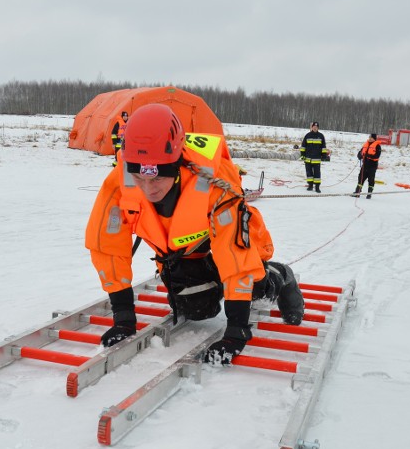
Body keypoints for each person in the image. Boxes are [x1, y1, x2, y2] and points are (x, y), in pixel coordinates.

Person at [85, 104, 305, 365]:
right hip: (183, 250)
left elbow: (235, 255)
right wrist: (123, 317)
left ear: (176, 165)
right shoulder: (119, 184)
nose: (147, 188)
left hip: (232, 243)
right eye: (139, 177)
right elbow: (107, 248)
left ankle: (280, 276)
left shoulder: (215, 183)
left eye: (156, 179)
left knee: (253, 285)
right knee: (198, 309)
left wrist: (236, 330)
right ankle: (209, 281)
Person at [299, 122, 329, 193]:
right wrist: (302, 155)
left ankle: (317, 187)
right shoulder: (307, 135)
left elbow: (323, 147)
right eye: (314, 127)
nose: (315, 128)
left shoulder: (321, 136)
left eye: (316, 127)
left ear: (318, 128)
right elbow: (303, 146)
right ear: (312, 127)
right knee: (309, 173)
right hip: (308, 158)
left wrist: (324, 155)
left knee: (317, 173)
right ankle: (310, 185)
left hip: (317, 159)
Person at [355, 133, 382, 198]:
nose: (369, 138)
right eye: (369, 137)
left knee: (371, 180)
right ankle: (357, 192)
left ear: (374, 139)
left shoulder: (378, 146)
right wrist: (359, 155)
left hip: (372, 166)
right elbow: (360, 152)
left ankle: (369, 194)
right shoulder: (365, 145)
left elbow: (376, 156)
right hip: (365, 165)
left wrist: (367, 155)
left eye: (371, 137)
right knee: (360, 178)